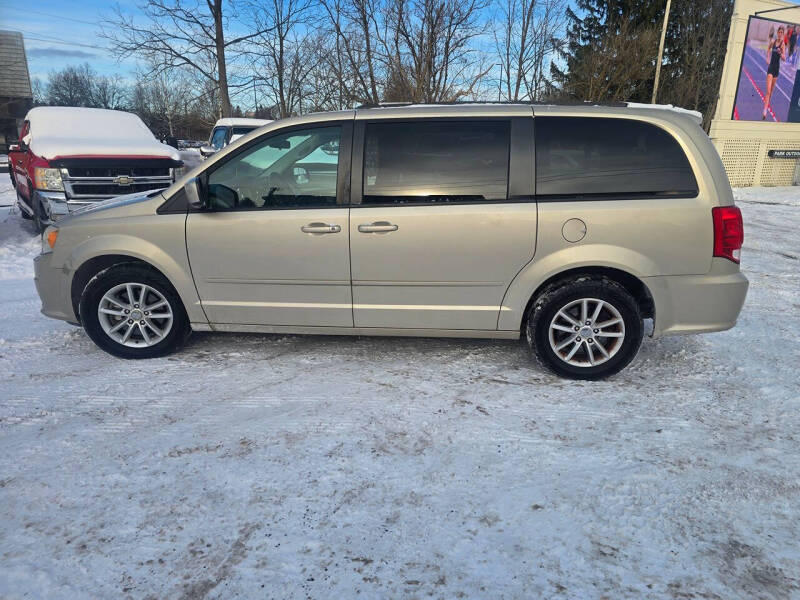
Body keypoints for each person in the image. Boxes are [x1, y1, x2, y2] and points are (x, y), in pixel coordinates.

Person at [763, 26, 787, 120]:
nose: (780, 34)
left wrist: (780, 53)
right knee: (768, 91)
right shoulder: (773, 42)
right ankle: (765, 110)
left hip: (776, 70)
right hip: (770, 68)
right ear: (777, 32)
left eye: (782, 32)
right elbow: (768, 49)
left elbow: (784, 59)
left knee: (771, 92)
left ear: (783, 34)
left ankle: (767, 103)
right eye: (779, 32)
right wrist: (767, 58)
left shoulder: (782, 44)